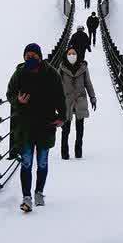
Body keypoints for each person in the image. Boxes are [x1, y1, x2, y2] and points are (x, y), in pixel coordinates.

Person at [6, 42, 65, 212]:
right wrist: (18, 101)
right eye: (27, 56)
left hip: (46, 124)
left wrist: (62, 117)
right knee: (26, 162)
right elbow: (10, 93)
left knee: (42, 162)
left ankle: (39, 192)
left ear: (40, 56)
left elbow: (60, 97)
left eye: (34, 56)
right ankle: (26, 197)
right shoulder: (19, 73)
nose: (30, 58)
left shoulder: (51, 74)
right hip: (25, 126)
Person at [59, 44, 97, 159]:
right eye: (69, 54)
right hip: (67, 100)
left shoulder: (83, 68)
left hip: (80, 99)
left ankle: (78, 151)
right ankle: (64, 153)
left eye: (74, 53)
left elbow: (88, 83)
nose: (72, 55)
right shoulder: (61, 68)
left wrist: (92, 97)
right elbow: (56, 85)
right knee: (66, 128)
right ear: (66, 55)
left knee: (80, 128)